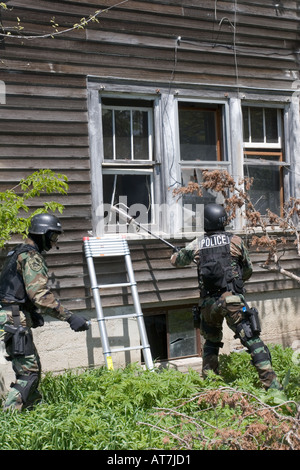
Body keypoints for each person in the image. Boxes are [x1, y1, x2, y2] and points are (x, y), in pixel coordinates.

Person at [171, 203, 282, 391]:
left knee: (211, 344)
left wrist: (177, 252)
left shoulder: (197, 244)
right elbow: (248, 270)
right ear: (223, 221)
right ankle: (272, 388)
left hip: (208, 304)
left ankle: (211, 389)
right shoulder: (236, 241)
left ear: (206, 222)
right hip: (232, 301)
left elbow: (176, 261)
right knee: (252, 340)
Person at [0, 213, 89, 411]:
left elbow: (14, 290)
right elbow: (39, 295)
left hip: (13, 316)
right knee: (28, 374)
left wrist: (32, 313)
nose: (54, 242)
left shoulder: (16, 252)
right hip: (13, 319)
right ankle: (9, 418)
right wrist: (70, 317)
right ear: (42, 234)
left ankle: (32, 411)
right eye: (53, 236)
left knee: (32, 368)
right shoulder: (30, 256)